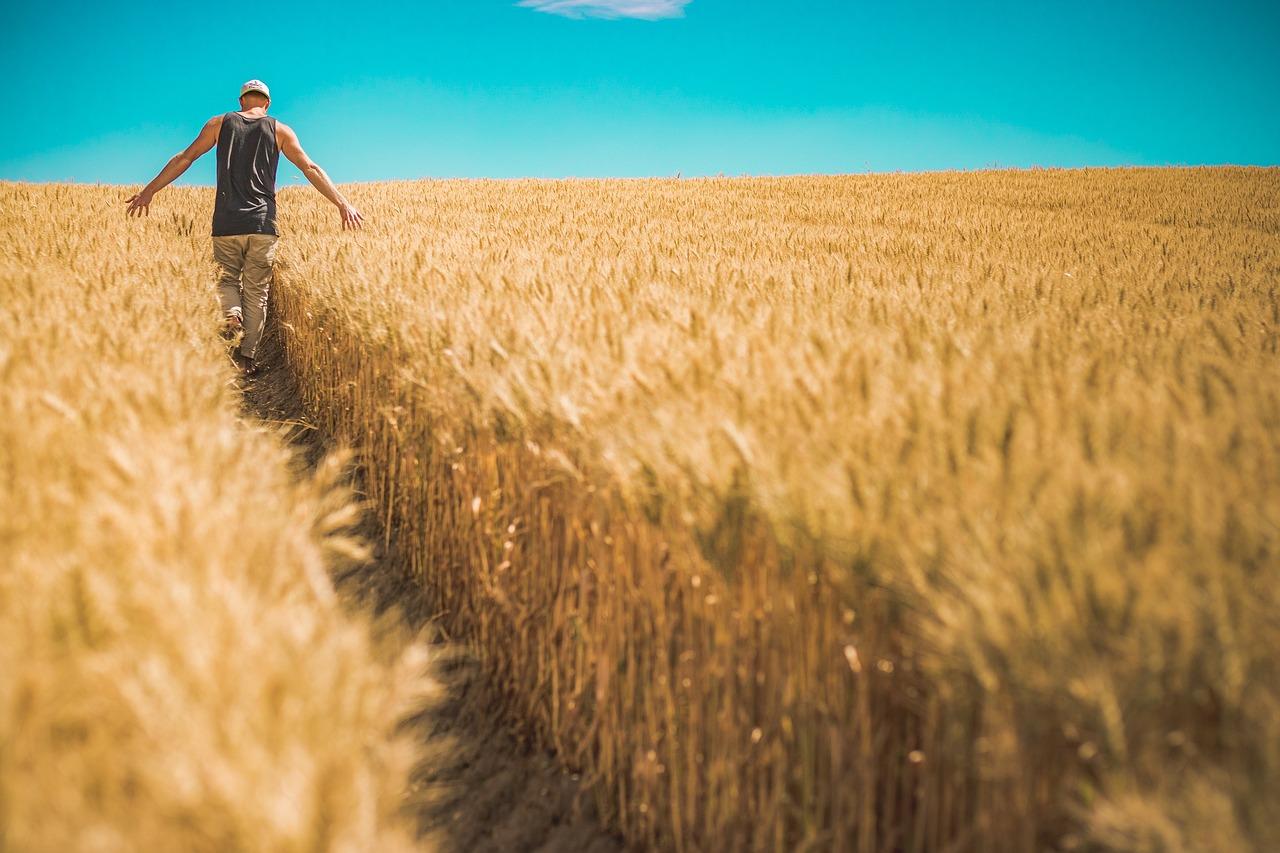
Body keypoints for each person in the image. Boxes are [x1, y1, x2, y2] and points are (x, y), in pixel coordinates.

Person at [125, 79, 364, 375]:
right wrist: (342, 204)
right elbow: (310, 168)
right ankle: (246, 359)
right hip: (263, 224)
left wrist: (149, 191)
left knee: (226, 281)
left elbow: (185, 158)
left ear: (241, 101)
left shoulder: (218, 123)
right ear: (267, 103)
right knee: (257, 292)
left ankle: (231, 313)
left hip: (226, 221)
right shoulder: (280, 130)